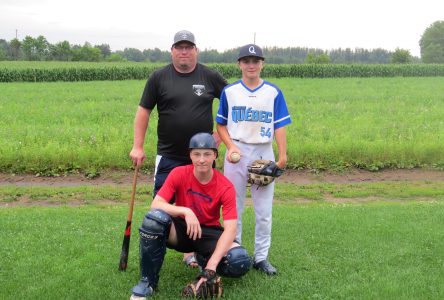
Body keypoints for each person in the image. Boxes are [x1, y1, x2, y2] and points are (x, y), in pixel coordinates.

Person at [129, 30, 228, 267]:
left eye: (188, 47)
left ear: (196, 50)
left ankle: (193, 251)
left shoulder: (210, 76)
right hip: (168, 155)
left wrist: (220, 137)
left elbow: (232, 105)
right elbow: (144, 111)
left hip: (201, 157)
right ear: (172, 50)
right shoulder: (159, 77)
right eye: (179, 47)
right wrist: (137, 146)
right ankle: (155, 259)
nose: (184, 51)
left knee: (201, 206)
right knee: (161, 211)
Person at [130, 133, 251, 299]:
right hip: (182, 229)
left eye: (207, 154)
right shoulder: (178, 173)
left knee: (239, 260)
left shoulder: (226, 186)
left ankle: (204, 259)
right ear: (190, 155)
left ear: (215, 155)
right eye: (197, 154)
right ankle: (147, 282)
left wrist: (211, 267)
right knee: (153, 221)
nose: (201, 159)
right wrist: (185, 211)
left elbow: (231, 228)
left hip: (208, 232)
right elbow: (156, 204)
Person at [216, 44, 292, 275]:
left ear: (262, 64)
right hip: (237, 152)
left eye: (256, 61)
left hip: (263, 151)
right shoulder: (229, 91)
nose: (251, 65)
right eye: (246, 61)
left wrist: (282, 155)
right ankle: (233, 251)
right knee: (233, 207)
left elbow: (279, 125)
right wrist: (230, 147)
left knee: (263, 210)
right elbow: (220, 124)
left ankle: (261, 257)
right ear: (239, 64)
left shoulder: (273, 92)